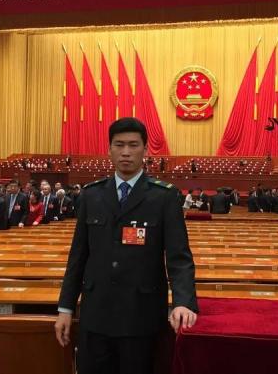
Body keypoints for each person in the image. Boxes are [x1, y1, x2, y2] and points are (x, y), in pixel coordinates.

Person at [55, 117, 198, 374]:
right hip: (96, 316)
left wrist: (183, 302)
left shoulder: (164, 197)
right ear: (109, 149)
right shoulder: (91, 195)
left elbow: (179, 258)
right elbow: (78, 256)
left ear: (145, 150)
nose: (126, 152)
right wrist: (65, 308)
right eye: (119, 145)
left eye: (133, 145)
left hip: (141, 318)